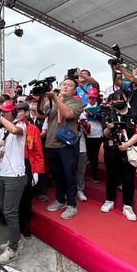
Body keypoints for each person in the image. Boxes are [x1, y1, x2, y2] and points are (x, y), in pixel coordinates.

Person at [42, 77, 83, 219]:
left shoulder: (76, 101)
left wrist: (56, 98)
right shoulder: (54, 99)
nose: (65, 87)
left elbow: (69, 114)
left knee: (69, 175)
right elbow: (43, 112)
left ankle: (72, 205)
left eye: (69, 85)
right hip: (51, 143)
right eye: (64, 84)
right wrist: (44, 95)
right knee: (57, 175)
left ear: (74, 89)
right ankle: (60, 200)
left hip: (66, 144)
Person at [100, 91, 137, 221]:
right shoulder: (109, 113)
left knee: (129, 179)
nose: (118, 101)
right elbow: (105, 134)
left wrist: (127, 145)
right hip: (111, 151)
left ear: (126, 98)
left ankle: (128, 206)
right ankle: (109, 200)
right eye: (115, 100)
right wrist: (109, 128)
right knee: (111, 177)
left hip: (130, 151)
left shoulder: (136, 113)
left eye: (121, 98)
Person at [0, 100, 28, 264]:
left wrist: (1, 120)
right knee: (3, 209)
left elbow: (14, 130)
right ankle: (16, 239)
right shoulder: (1, 131)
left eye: (5, 112)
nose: (2, 114)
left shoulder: (21, 125)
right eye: (1, 111)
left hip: (15, 175)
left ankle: (13, 248)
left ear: (12, 113)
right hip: (2, 173)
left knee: (10, 212)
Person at [17, 102, 44, 237]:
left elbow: (38, 152)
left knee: (26, 196)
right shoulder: (11, 128)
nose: (17, 113)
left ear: (27, 113)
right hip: (14, 167)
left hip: (28, 167)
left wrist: (36, 171)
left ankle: (24, 222)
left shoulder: (33, 130)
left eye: (20, 111)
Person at [84, 87, 103, 183]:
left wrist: (94, 116)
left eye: (93, 98)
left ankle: (94, 175)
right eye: (90, 97)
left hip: (98, 134)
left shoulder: (101, 107)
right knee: (88, 155)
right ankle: (89, 173)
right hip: (86, 134)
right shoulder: (83, 107)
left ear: (96, 98)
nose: (91, 99)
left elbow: (104, 118)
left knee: (94, 155)